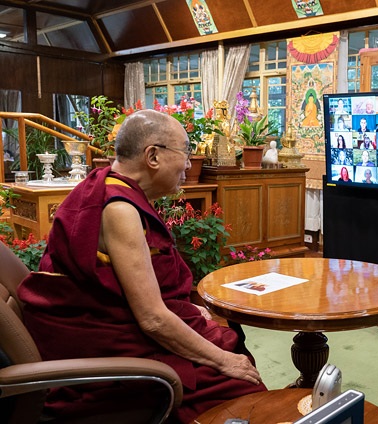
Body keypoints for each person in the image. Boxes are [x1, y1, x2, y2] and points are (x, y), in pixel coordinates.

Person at [16, 110, 267, 423]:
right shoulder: (119, 209)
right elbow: (152, 320)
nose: (189, 164)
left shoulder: (110, 187)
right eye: (186, 153)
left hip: (123, 325)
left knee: (229, 340)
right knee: (241, 385)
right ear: (153, 156)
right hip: (113, 350)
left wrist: (185, 309)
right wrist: (222, 361)